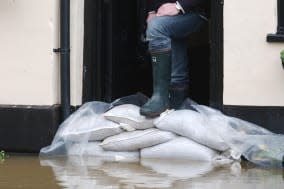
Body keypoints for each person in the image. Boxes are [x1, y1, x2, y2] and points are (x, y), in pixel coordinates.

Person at [140, 0, 208, 117]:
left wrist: (179, 6)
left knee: (157, 27)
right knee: (166, 30)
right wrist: (152, 10)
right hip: (165, 12)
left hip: (195, 10)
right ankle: (177, 101)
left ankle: (160, 97)